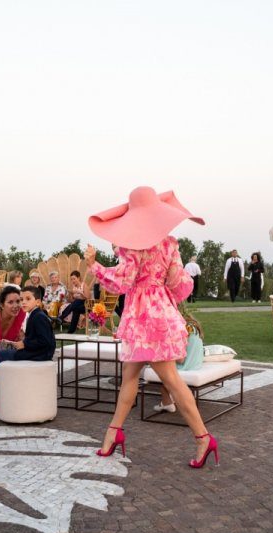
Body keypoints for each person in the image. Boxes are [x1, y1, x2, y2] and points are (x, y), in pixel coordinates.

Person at [85, 186, 217, 468]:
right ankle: (113, 434)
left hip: (143, 315)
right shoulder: (170, 244)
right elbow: (178, 283)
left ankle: (203, 437)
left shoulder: (132, 247)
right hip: (161, 310)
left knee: (169, 378)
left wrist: (93, 265)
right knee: (130, 375)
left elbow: (122, 281)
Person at [0, 286, 56, 401]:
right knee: (4, 352)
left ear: (37, 302)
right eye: (22, 300)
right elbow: (37, 338)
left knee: (1, 355)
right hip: (38, 352)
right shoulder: (34, 315)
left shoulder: (38, 317)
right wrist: (23, 341)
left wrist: (25, 344)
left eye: (27, 299)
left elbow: (45, 341)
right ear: (1, 304)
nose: (22, 303)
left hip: (40, 354)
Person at [153, 310, 204, 413]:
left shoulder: (181, 330)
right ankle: (170, 398)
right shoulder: (193, 327)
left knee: (158, 371)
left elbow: (181, 360)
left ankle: (167, 403)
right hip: (196, 364)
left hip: (186, 367)